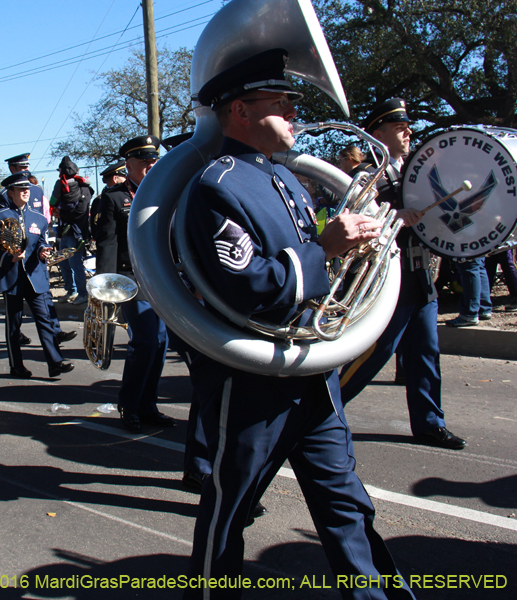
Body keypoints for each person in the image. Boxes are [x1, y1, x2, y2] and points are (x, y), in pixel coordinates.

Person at [184, 49, 414, 598]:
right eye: (281, 103)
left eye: (292, 102)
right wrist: (324, 248)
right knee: (232, 508)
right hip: (254, 377)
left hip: (312, 366)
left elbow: (314, 265)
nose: (293, 113)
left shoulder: (285, 180)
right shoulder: (217, 185)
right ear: (239, 110)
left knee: (346, 503)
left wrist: (356, 246)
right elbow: (251, 286)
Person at [339, 98, 467, 450]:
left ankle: (429, 423)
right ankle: (320, 414)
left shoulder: (420, 172)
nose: (408, 132)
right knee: (373, 355)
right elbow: (355, 222)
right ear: (378, 134)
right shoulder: (368, 177)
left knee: (425, 352)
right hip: (388, 280)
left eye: (407, 126)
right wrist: (394, 213)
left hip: (420, 274)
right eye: (399, 127)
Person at [95, 135, 175, 433]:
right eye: (143, 162)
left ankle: (148, 405)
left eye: (154, 161)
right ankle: (130, 405)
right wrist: (106, 284)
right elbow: (107, 242)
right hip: (130, 279)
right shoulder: (114, 198)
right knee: (146, 340)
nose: (150, 166)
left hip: (163, 279)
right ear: (128, 164)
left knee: (162, 342)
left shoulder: (164, 191)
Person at [0, 171, 74, 378]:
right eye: (21, 189)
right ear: (10, 192)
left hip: (35, 277)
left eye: (27, 189)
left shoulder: (39, 218)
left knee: (45, 320)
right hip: (12, 278)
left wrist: (43, 249)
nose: (26, 192)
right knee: (14, 325)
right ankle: (16, 366)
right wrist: (9, 259)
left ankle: (55, 362)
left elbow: (41, 240)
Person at [51, 156, 93, 305]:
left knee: (75, 263)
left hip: (77, 232)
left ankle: (82, 293)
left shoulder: (84, 188)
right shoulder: (60, 186)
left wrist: (61, 213)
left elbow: (80, 212)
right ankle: (71, 291)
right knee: (63, 262)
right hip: (63, 231)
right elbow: (54, 203)